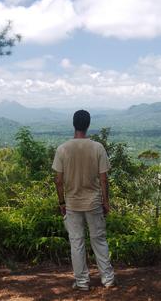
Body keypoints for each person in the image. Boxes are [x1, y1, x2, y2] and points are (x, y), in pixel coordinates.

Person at [52, 109, 115, 291]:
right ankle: (108, 279)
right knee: (99, 240)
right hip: (93, 202)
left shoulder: (63, 149)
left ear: (74, 124)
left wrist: (61, 202)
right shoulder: (97, 148)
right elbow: (104, 179)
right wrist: (106, 201)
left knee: (77, 243)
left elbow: (58, 180)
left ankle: (82, 282)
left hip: (72, 203)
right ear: (88, 125)